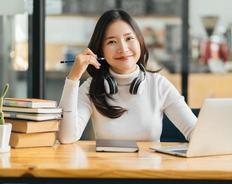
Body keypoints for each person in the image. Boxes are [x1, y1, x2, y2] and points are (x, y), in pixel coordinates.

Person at [58, 9, 197, 144]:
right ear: (101, 52)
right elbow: (66, 136)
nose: (123, 49)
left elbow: (196, 133)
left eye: (129, 38)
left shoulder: (158, 84)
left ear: (140, 42)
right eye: (112, 41)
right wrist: (73, 78)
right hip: (107, 167)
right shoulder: (92, 86)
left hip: (150, 167)